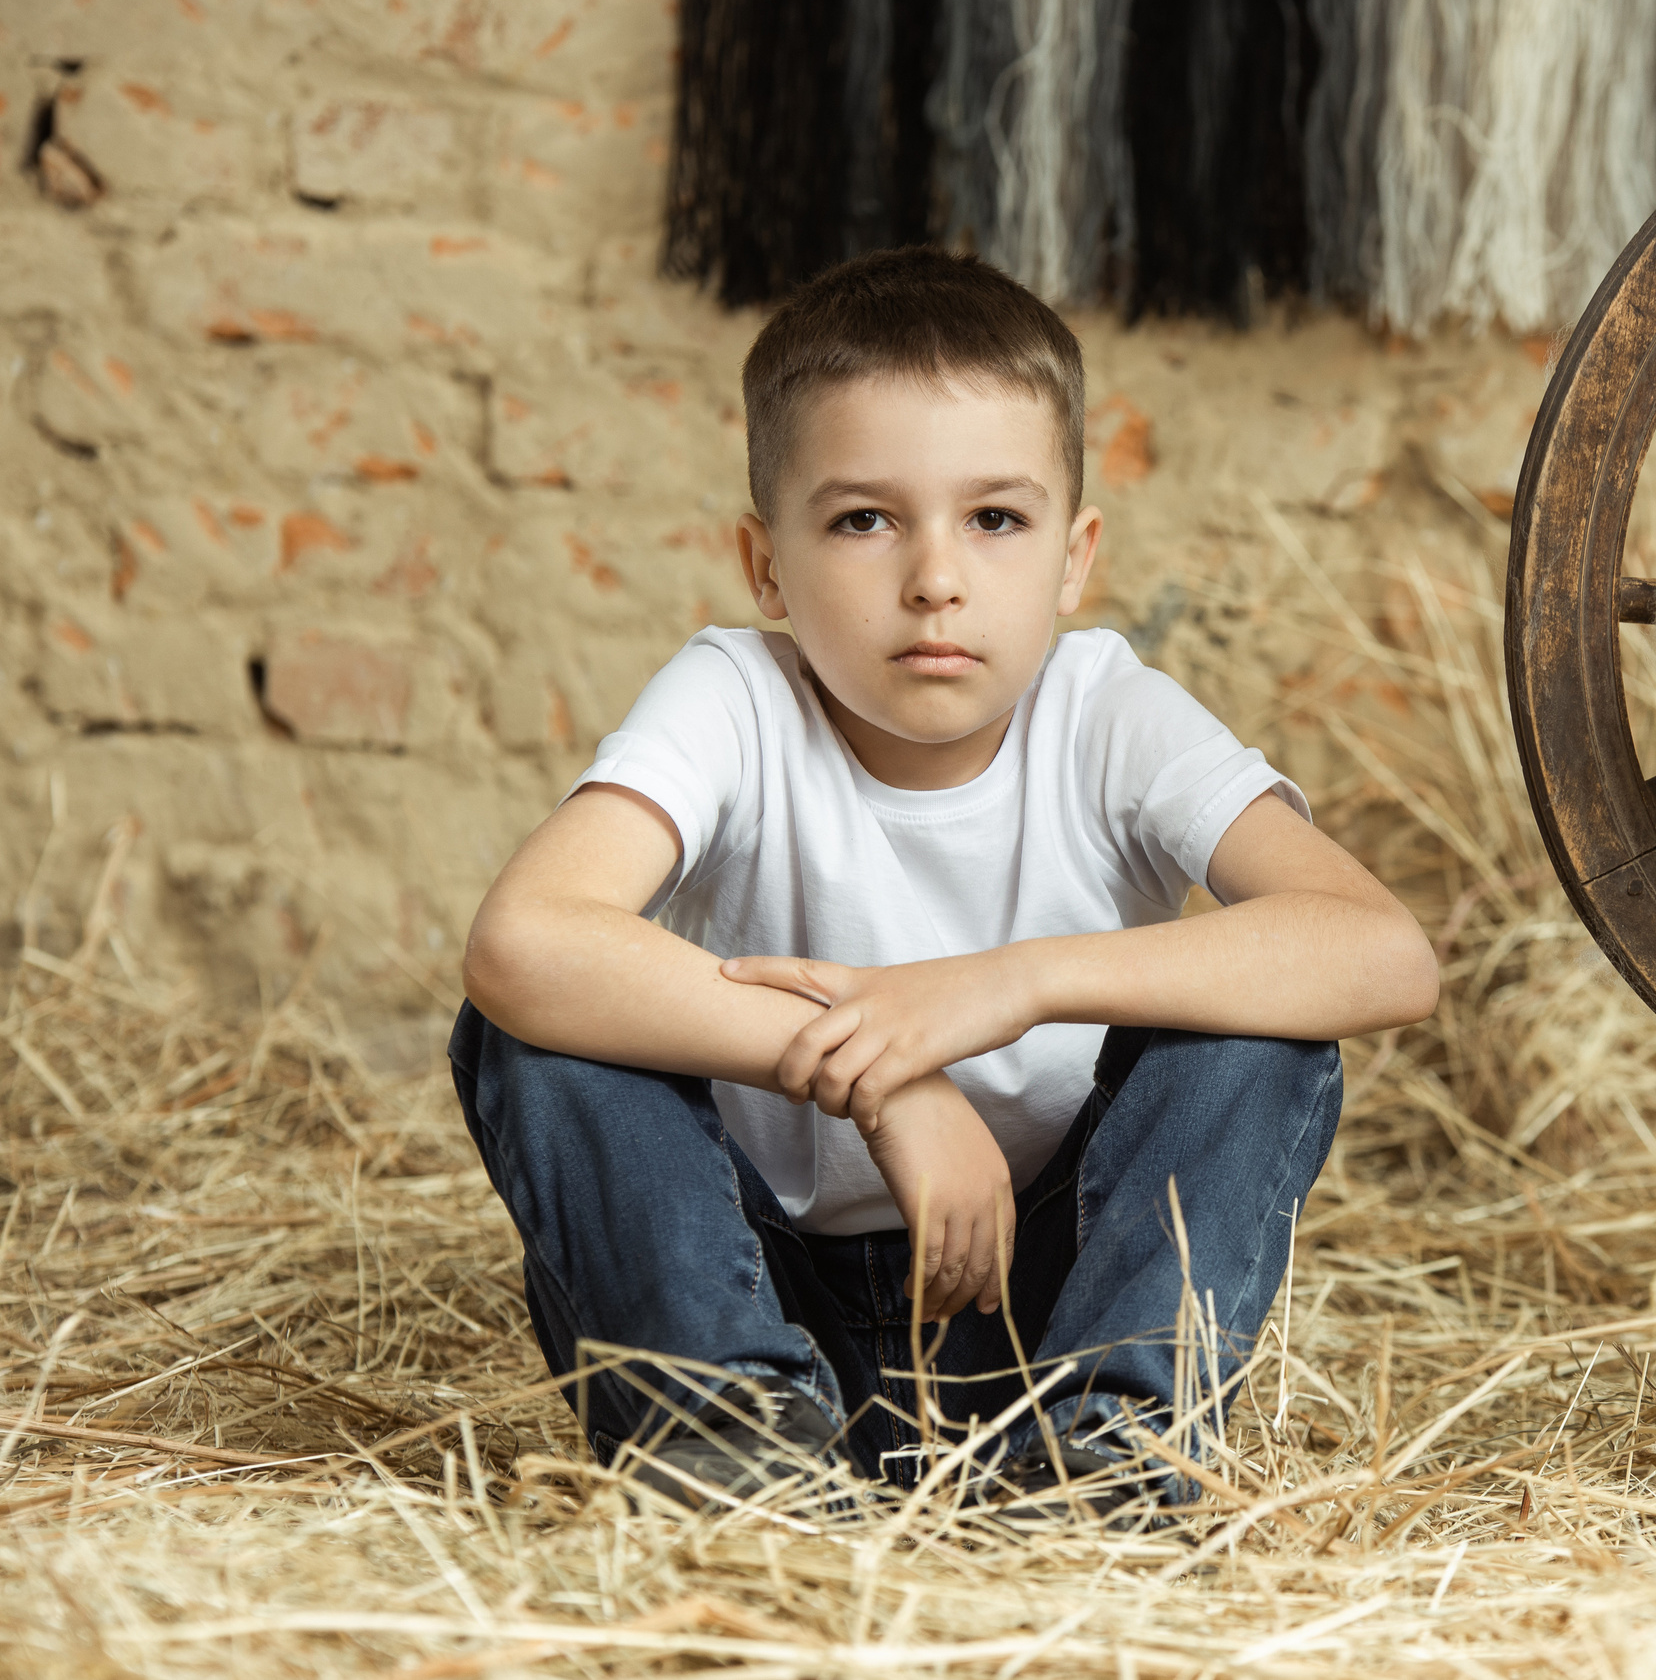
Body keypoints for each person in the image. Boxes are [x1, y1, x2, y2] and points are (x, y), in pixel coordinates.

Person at [448, 247, 1439, 1514]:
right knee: (533, 1030)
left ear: (1073, 558)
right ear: (765, 565)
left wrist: (1008, 986)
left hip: (1048, 1318)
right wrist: (890, 1080)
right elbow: (523, 943)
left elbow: (1381, 952)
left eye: (996, 518)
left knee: (1258, 1031)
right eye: (864, 519)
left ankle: (1112, 1461)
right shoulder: (736, 697)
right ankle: (735, 1448)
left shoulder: (1105, 712)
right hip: (755, 1303)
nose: (935, 576)